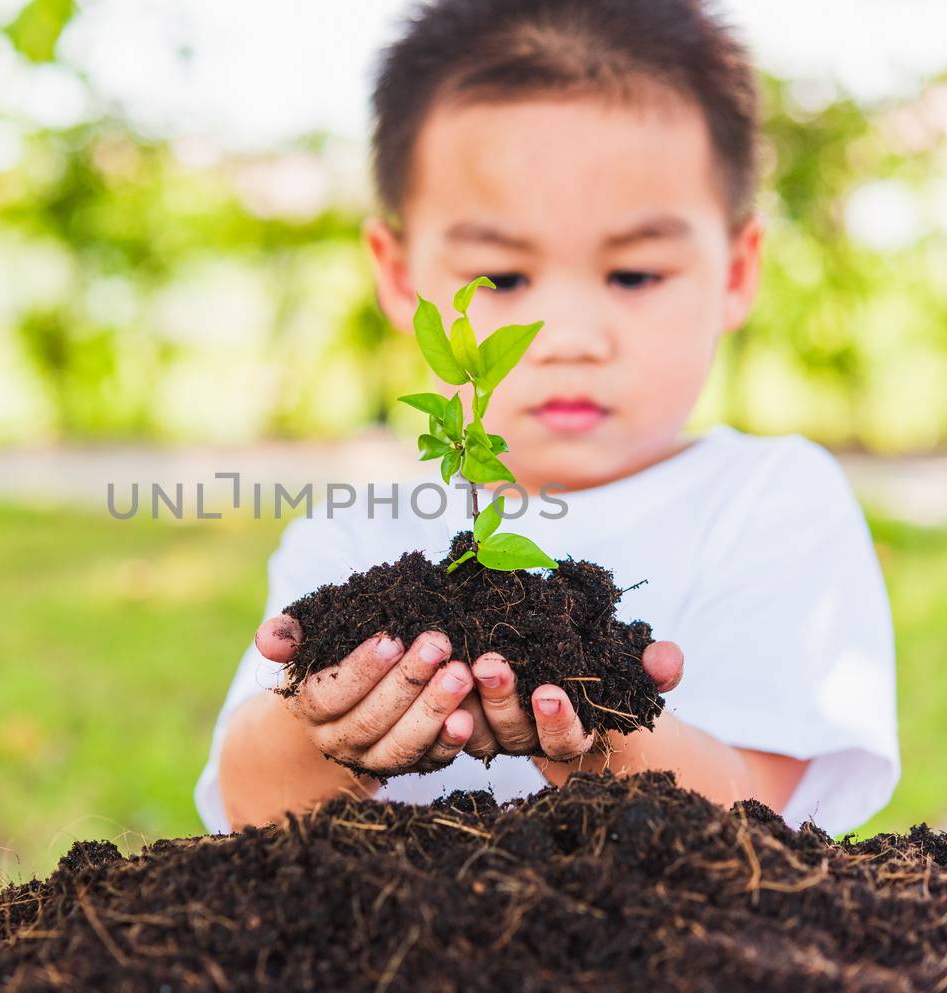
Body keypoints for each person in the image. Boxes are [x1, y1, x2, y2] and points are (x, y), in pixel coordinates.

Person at [195, 0, 898, 837]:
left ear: (738, 270)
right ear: (398, 275)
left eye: (634, 274)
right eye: (500, 277)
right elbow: (250, 806)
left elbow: (758, 828)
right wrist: (324, 729)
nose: (568, 338)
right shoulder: (359, 527)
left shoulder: (771, 503)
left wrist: (599, 729)